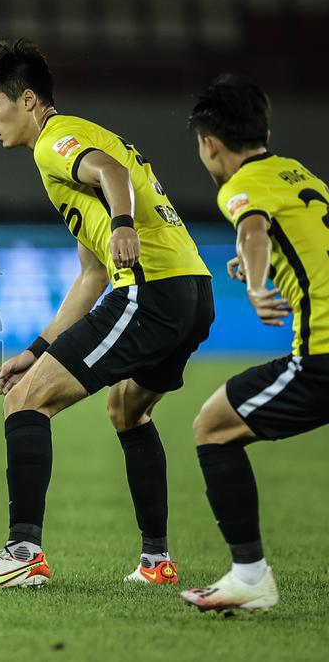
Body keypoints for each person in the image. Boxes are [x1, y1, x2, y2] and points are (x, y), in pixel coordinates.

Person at [0, 39, 213, 589]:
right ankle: (156, 562)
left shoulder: (55, 142)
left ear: (27, 100)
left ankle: (22, 554)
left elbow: (112, 172)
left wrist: (123, 225)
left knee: (25, 401)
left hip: (150, 292)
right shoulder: (81, 140)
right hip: (193, 291)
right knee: (127, 410)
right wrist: (35, 351)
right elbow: (91, 277)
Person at [181, 76, 329, 612]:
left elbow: (254, 231)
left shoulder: (240, 186)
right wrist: (256, 264)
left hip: (323, 353)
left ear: (209, 143)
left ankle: (250, 578)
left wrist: (258, 284)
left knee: (213, 426)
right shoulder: (299, 174)